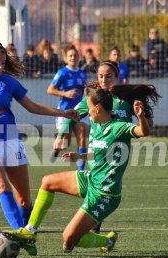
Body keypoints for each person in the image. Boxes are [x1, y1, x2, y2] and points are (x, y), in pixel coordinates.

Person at [3, 84, 160, 256]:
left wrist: (140, 117)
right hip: (91, 179)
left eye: (89, 107)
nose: (87, 111)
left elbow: (143, 131)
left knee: (69, 238)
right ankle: (30, 231)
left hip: (105, 194)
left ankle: (107, 240)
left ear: (98, 108)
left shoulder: (118, 127)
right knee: (47, 182)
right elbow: (100, 152)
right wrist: (80, 157)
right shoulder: (96, 123)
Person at [0, 42, 78, 239]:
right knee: (1, 185)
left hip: (12, 142)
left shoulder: (8, 82)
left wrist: (64, 112)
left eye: (3, 63)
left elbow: (32, 107)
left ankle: (28, 235)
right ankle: (20, 234)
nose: (0, 67)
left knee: (24, 202)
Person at [52, 60, 156, 234]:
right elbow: (74, 115)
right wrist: (64, 133)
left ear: (116, 76)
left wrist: (142, 116)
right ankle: (94, 220)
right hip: (97, 152)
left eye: (108, 76)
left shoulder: (127, 97)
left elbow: (147, 124)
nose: (103, 80)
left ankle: (93, 219)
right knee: (98, 188)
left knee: (105, 187)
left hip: (117, 154)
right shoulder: (94, 98)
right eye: (100, 76)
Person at [47, 44, 88, 171]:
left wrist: (87, 96)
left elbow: (85, 89)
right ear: (66, 58)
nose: (73, 58)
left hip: (79, 111)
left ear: (78, 57)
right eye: (70, 56)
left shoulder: (82, 73)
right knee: (65, 144)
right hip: (65, 111)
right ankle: (56, 149)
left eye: (75, 55)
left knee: (82, 137)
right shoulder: (62, 73)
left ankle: (81, 170)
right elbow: (50, 90)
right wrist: (65, 93)